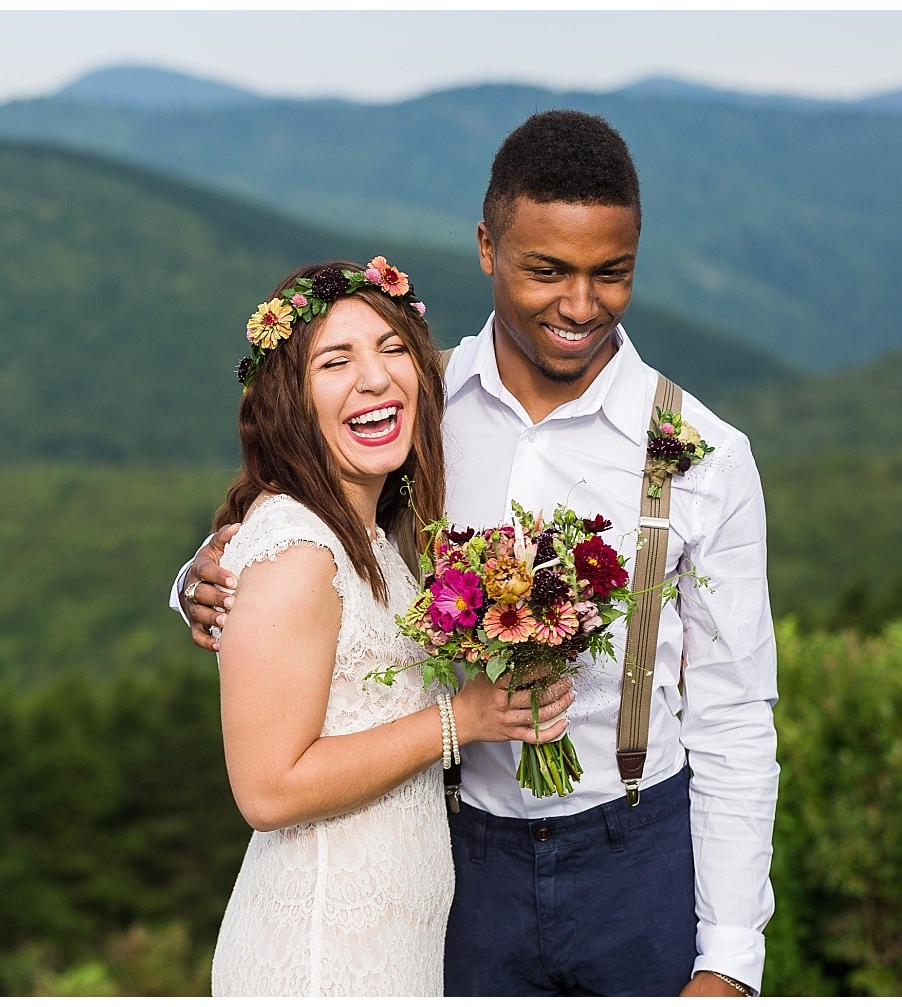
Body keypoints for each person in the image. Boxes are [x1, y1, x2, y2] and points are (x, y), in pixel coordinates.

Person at [178, 112, 779, 996]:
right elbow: (307, 526)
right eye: (548, 270)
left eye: (611, 273)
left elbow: (734, 716)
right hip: (457, 856)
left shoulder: (702, 455)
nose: (581, 305)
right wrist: (199, 580)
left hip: (636, 853)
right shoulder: (419, 401)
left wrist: (728, 956)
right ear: (487, 246)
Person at [205, 259, 575, 997]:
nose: (375, 378)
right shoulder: (298, 547)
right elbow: (268, 789)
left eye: (393, 348)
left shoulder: (372, 537)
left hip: (386, 954)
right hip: (318, 957)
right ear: (289, 401)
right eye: (336, 360)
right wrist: (459, 719)